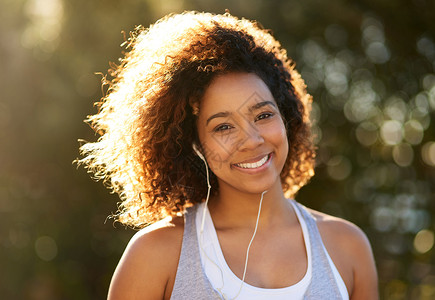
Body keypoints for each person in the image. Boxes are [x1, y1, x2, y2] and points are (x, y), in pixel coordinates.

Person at [78, 11, 378, 300]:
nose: (251, 140)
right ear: (194, 143)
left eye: (262, 115)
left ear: (286, 117)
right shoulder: (155, 254)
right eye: (223, 126)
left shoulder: (347, 247)